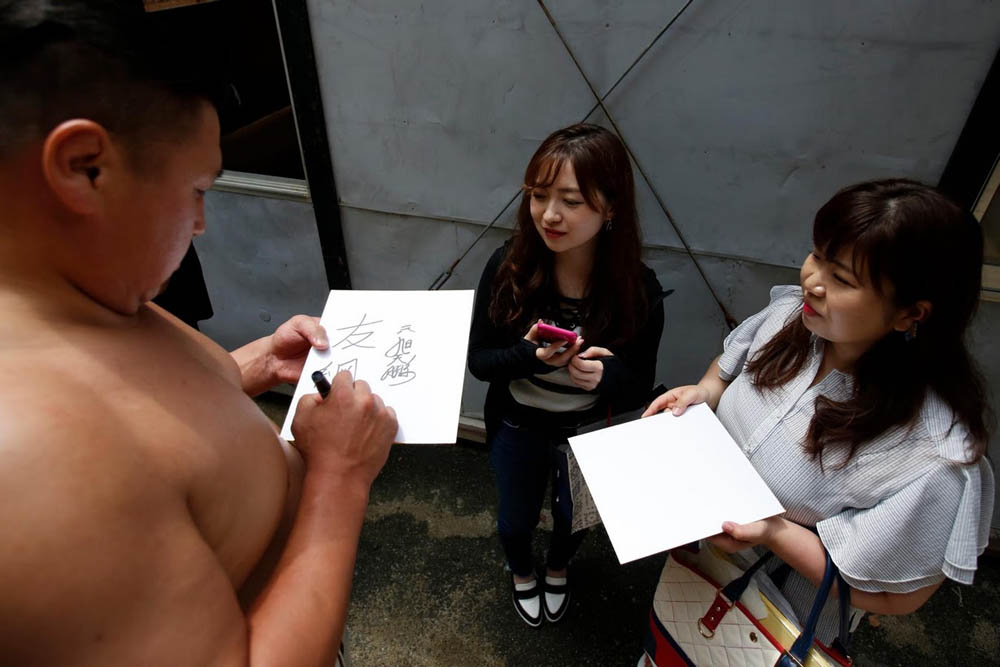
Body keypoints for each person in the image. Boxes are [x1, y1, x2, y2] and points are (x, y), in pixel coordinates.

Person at [0, 3, 396, 665]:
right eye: (197, 189)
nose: (201, 223)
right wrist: (341, 476)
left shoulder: (82, 289)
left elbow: (142, 415)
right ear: (84, 166)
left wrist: (255, 363)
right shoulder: (36, 465)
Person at [642, 179, 995, 648]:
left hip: (773, 622)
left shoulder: (932, 455)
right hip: (695, 564)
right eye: (817, 255)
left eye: (842, 278)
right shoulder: (792, 316)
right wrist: (704, 393)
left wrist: (774, 533)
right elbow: (727, 370)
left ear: (911, 314)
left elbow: (896, 597)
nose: (812, 280)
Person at [468, 123, 666, 626]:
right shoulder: (508, 267)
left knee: (572, 518)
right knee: (514, 520)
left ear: (611, 207)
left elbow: (640, 381)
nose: (549, 215)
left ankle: (558, 567)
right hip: (518, 422)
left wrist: (604, 376)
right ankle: (521, 572)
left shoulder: (637, 288)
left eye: (571, 201)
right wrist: (527, 357)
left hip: (587, 432)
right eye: (539, 196)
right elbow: (480, 362)